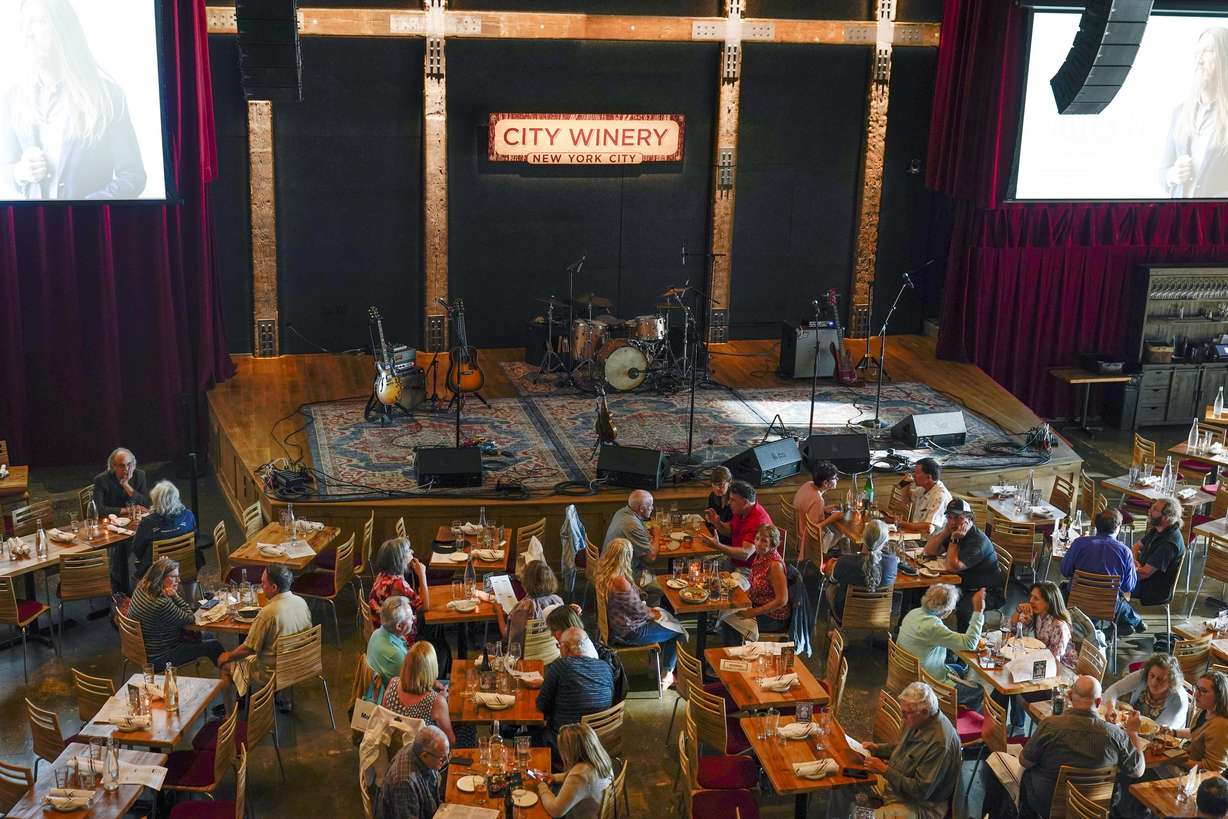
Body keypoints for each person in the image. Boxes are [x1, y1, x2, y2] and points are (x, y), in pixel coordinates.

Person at [0, 0, 147, 201]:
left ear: (63, 29)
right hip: (33, 228)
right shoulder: (13, 99)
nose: (28, 33)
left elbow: (133, 176)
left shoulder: (107, 96)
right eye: (24, 24)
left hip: (88, 230)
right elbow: (6, 169)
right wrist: (20, 172)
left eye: (38, 22)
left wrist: (85, 210)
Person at [826, 682, 962, 819]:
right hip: (895, 784)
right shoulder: (919, 720)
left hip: (920, 805)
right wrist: (878, 749)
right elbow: (902, 749)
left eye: (905, 713)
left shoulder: (940, 744)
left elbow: (921, 791)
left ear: (925, 712)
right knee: (842, 781)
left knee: (864, 817)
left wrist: (885, 770)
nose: (902, 717)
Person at [1014, 675, 1145, 817]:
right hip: (1093, 807)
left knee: (1027, 774)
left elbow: (1024, 761)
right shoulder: (1116, 734)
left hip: (1047, 805)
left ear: (1070, 696)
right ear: (1099, 701)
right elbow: (1137, 771)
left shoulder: (1050, 725)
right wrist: (1132, 732)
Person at [218, 564, 312, 703]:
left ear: (274, 587)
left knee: (225, 666)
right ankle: (285, 698)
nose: (261, 587)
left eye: (263, 583)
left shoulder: (268, 613)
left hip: (274, 673)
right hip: (301, 663)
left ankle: (230, 715)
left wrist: (228, 657)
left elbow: (248, 648)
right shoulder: (301, 602)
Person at [596, 538, 678, 688]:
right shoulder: (619, 581)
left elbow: (632, 607)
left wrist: (650, 611)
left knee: (665, 616)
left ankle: (655, 663)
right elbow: (640, 612)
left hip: (614, 628)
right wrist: (654, 613)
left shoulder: (602, 574)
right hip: (630, 632)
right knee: (677, 629)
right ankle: (667, 674)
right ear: (626, 557)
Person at [999, 582, 1076, 731]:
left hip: (1058, 680)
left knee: (1011, 682)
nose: (1031, 601)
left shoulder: (1059, 626)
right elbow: (1012, 628)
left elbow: (1055, 663)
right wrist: (1018, 611)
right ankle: (1009, 726)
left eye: (1036, 598)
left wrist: (1027, 659)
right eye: (1031, 597)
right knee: (1008, 681)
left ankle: (1014, 726)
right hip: (1041, 665)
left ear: (1049, 602)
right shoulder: (1039, 615)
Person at [1160, 27, 1228, 198]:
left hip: (1217, 221)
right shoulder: (1180, 113)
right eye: (1197, 52)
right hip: (1181, 220)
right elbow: (1163, 172)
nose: (1199, 60)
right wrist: (1172, 175)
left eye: (1208, 51)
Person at [896, 583, 985, 709]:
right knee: (979, 690)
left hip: (907, 672)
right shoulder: (933, 627)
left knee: (959, 669)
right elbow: (970, 643)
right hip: (926, 683)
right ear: (946, 610)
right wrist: (978, 611)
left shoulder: (914, 613)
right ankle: (955, 718)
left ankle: (954, 707)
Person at [128, 557, 222, 668]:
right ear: (160, 578)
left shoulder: (141, 587)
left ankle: (228, 676)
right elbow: (190, 618)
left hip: (142, 649)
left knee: (208, 635)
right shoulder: (161, 603)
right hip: (161, 657)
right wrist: (175, 596)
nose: (179, 581)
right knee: (214, 646)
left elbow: (153, 570)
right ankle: (229, 679)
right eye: (174, 577)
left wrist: (160, 564)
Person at [923, 498, 1001, 630]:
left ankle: (963, 646)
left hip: (984, 591)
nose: (952, 522)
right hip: (962, 584)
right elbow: (929, 550)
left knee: (964, 610)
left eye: (957, 517)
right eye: (949, 517)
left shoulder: (977, 542)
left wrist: (954, 540)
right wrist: (945, 533)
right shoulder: (954, 531)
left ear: (969, 518)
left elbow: (952, 567)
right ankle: (921, 630)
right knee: (920, 591)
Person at [1060, 508, 1141, 633]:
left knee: (1062, 589)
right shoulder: (1125, 552)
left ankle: (1092, 631)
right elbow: (1128, 586)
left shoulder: (1079, 544)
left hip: (1076, 602)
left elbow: (1065, 570)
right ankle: (1114, 629)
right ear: (1117, 527)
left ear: (1096, 524)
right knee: (1121, 603)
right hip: (1107, 605)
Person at [537, 627, 615, 739]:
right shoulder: (605, 666)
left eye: (559, 646)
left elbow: (542, 705)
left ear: (565, 647)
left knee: (522, 735)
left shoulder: (561, 666)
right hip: (599, 738)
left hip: (566, 740)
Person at [719, 524, 790, 644]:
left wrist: (753, 612)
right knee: (727, 609)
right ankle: (731, 652)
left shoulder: (774, 565)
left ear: (773, 544)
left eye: (764, 541)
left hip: (773, 616)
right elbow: (754, 585)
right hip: (757, 604)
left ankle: (736, 656)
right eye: (757, 539)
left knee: (730, 621)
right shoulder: (760, 556)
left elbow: (782, 600)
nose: (758, 543)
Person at [528, 723, 614, 819]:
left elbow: (555, 811)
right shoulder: (601, 759)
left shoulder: (580, 775)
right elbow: (577, 778)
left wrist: (541, 786)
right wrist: (554, 777)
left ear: (570, 751)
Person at [380, 642, 457, 747]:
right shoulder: (436, 702)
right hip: (424, 756)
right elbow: (449, 741)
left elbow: (383, 716)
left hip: (392, 748)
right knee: (466, 730)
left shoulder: (393, 683)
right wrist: (442, 700)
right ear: (432, 669)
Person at [128, 480, 196, 591]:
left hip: (156, 571)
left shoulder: (147, 522)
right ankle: (191, 602)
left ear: (156, 500)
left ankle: (143, 603)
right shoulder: (188, 515)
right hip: (186, 564)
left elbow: (137, 549)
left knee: (135, 566)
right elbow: (195, 538)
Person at [828, 518, 898, 618]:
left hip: (846, 615)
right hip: (878, 616)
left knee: (831, 586)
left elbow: (832, 580)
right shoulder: (892, 563)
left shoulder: (845, 561)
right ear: (885, 541)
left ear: (863, 537)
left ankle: (833, 630)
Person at [375, 725, 448, 819]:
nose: (446, 761)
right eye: (442, 759)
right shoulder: (405, 782)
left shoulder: (416, 748)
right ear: (424, 755)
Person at [1102, 653, 1189, 729]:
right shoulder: (1143, 675)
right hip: (1132, 727)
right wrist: (1110, 708)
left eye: (1160, 679)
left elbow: (1158, 730)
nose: (1154, 682)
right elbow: (1114, 689)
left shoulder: (1178, 700)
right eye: (1152, 675)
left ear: (1171, 682)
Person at [497, 559, 565, 655]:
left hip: (523, 656)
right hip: (550, 653)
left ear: (527, 581)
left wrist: (498, 612)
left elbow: (507, 638)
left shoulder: (524, 608)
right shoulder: (558, 601)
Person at [701, 480, 773, 570]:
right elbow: (730, 531)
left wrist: (718, 546)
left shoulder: (758, 521)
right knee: (701, 565)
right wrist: (717, 523)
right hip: (734, 561)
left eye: (732, 500)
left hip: (751, 569)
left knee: (711, 578)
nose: (728, 502)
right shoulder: (742, 510)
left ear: (745, 503)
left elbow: (745, 554)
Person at [1132, 497, 1186, 614]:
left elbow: (1145, 574)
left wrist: (1126, 570)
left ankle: (1128, 620)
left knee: (1110, 585)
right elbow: (1136, 546)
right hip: (1141, 575)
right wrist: (1134, 561)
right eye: (1151, 507)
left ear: (1167, 517)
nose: (1149, 511)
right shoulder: (1158, 528)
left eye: (1155, 510)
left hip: (1152, 588)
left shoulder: (1169, 543)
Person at [367, 538, 427, 635]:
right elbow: (424, 606)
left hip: (382, 630)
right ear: (401, 560)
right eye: (408, 551)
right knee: (433, 625)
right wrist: (422, 575)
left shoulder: (382, 575)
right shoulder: (397, 583)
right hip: (396, 635)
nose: (412, 552)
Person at [884, 458, 952, 536]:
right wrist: (905, 485)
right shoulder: (923, 488)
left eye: (917, 473)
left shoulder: (940, 496)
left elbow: (928, 528)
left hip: (929, 541)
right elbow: (905, 502)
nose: (913, 475)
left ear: (928, 477)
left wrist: (900, 523)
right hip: (916, 534)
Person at [365, 596, 415, 703]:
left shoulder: (377, 633)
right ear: (399, 626)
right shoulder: (396, 655)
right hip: (395, 702)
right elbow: (412, 688)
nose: (413, 619)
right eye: (410, 617)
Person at [792, 460, 842, 560]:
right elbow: (814, 528)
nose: (837, 479)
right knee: (842, 533)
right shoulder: (818, 500)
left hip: (799, 529)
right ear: (825, 483)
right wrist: (832, 518)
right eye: (834, 478)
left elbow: (808, 508)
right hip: (809, 539)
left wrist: (823, 509)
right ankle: (841, 565)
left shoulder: (808, 484)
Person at [602, 490, 657, 578]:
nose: (652, 508)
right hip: (619, 575)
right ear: (642, 508)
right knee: (661, 587)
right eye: (650, 505)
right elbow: (650, 558)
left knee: (652, 573)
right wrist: (657, 535)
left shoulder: (622, 512)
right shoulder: (632, 525)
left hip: (610, 566)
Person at [92, 447, 149, 515]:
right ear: (114, 466)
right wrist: (127, 510)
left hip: (133, 518)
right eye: (122, 465)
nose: (126, 469)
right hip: (112, 520)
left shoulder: (139, 475)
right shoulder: (101, 480)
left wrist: (126, 485)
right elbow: (98, 509)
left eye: (129, 464)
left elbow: (146, 504)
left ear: (133, 464)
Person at [705, 466, 734, 544]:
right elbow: (710, 523)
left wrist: (716, 522)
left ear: (729, 482)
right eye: (715, 484)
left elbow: (732, 532)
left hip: (730, 542)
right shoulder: (712, 496)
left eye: (721, 484)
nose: (718, 488)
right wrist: (709, 519)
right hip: (716, 537)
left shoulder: (734, 501)